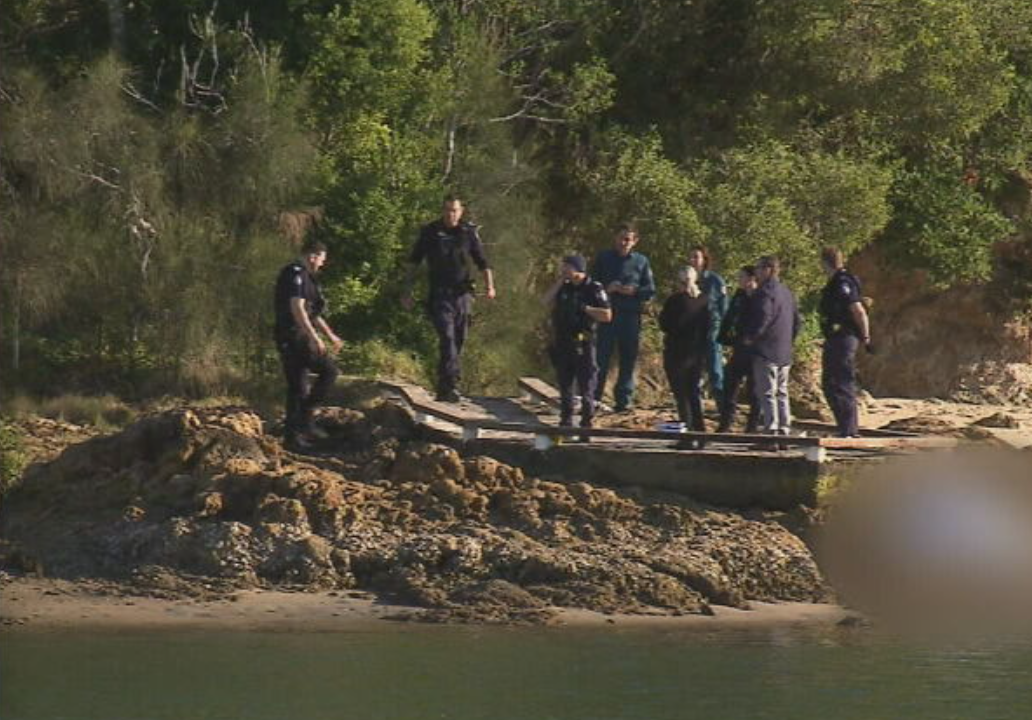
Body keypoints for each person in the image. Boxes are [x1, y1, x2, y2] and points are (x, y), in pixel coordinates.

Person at [403, 195, 496, 402]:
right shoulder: (430, 232)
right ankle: (452, 383)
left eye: (454, 210)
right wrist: (407, 291)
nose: (450, 214)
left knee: (459, 339)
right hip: (439, 294)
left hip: (462, 294)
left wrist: (490, 286)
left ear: (461, 211)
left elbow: (483, 262)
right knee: (447, 337)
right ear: (442, 210)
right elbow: (413, 262)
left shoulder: (467, 233)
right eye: (447, 210)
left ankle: (443, 385)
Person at [274, 239, 343, 451]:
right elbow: (297, 308)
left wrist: (330, 335)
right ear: (313, 256)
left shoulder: (307, 278)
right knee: (329, 371)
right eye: (321, 260)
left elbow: (313, 312)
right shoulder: (295, 273)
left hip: (297, 335)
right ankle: (304, 419)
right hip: (293, 335)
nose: (321, 264)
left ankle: (293, 436)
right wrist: (313, 337)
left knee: (298, 386)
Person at [542, 255, 612, 436]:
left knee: (586, 383)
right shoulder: (563, 287)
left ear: (578, 269)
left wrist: (586, 309)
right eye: (563, 268)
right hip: (563, 341)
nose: (564, 271)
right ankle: (566, 420)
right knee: (565, 383)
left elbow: (607, 315)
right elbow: (544, 301)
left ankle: (586, 423)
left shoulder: (593, 288)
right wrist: (559, 282)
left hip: (584, 342)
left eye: (567, 268)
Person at [591, 224, 656, 412]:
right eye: (621, 238)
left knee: (628, 359)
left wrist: (634, 291)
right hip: (607, 316)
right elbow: (591, 285)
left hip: (630, 316)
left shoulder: (641, 261)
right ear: (615, 238)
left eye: (628, 239)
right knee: (600, 359)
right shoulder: (604, 258)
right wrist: (606, 288)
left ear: (635, 241)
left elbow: (650, 290)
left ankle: (623, 400)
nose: (623, 242)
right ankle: (593, 397)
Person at [741, 255, 801, 439]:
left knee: (767, 392)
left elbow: (763, 318)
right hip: (784, 350)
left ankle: (771, 431)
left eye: (759, 268)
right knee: (782, 392)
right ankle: (784, 429)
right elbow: (797, 321)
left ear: (768, 269)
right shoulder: (787, 292)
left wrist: (750, 337)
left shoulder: (764, 293)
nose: (756, 272)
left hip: (766, 350)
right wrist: (789, 340)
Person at [818, 247, 872, 438]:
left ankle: (848, 430)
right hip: (836, 338)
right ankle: (845, 428)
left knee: (840, 382)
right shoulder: (836, 281)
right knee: (831, 383)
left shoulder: (842, 282)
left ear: (824, 263)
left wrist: (866, 338)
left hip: (844, 337)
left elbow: (858, 310)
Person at [658, 266, 711, 443]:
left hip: (676, 353)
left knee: (681, 396)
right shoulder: (704, 300)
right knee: (693, 393)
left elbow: (664, 324)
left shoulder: (675, 301)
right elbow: (708, 327)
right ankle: (701, 433)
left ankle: (687, 436)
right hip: (697, 353)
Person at [716, 265, 761, 433]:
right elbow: (730, 317)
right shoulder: (739, 296)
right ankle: (726, 423)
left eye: (742, 277)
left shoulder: (760, 296)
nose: (739, 281)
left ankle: (752, 426)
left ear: (751, 279)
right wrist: (724, 337)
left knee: (754, 390)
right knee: (730, 383)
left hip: (756, 349)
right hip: (740, 345)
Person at [687, 246, 728, 408]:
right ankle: (694, 405)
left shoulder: (715, 280)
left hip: (712, 328)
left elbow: (724, 308)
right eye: (691, 257)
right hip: (692, 330)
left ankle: (722, 405)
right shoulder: (686, 279)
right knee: (693, 370)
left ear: (704, 260)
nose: (693, 260)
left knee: (715, 369)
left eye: (696, 257)